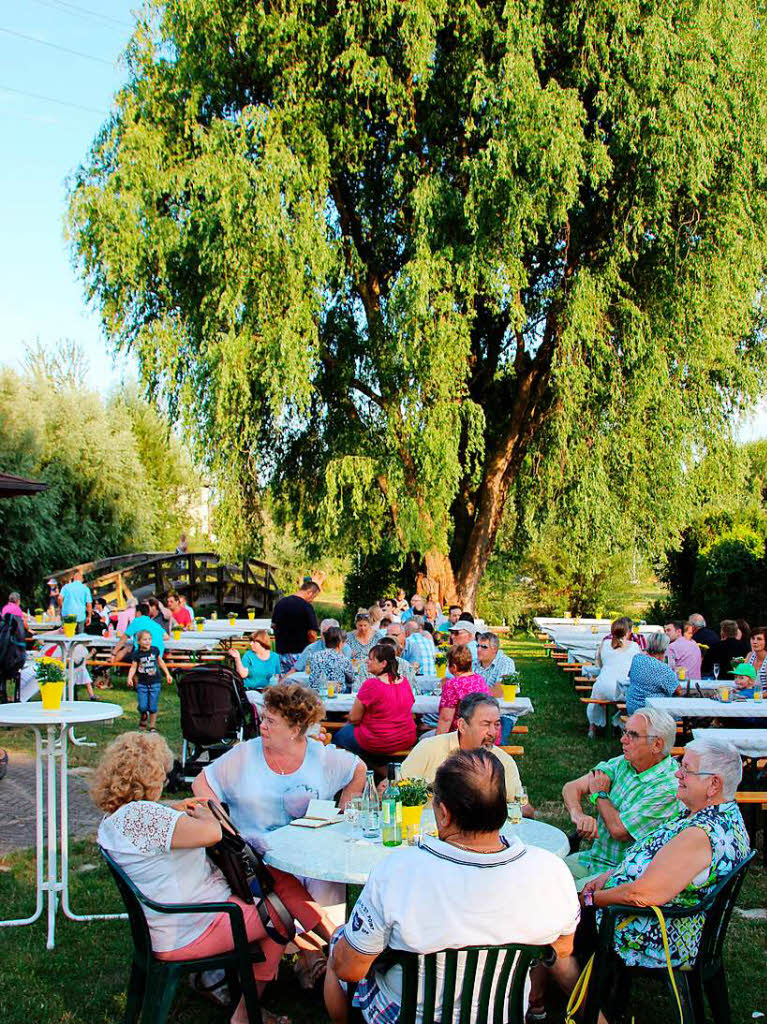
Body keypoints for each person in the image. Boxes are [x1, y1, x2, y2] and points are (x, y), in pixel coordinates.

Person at [324, 749, 580, 1024]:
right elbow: (562, 949)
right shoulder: (550, 870)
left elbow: (349, 970)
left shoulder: (398, 872)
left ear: (444, 814)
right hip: (501, 1016)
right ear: (502, 809)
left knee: (341, 942)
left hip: (407, 1015)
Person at [94, 731, 330, 1024]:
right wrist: (206, 810)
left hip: (168, 922)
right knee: (279, 919)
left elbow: (157, 823)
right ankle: (247, 1012)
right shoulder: (146, 818)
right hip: (191, 926)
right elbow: (212, 833)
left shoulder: (117, 820)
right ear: (151, 776)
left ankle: (329, 943)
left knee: (277, 880)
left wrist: (174, 808)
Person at [568, 738, 749, 982]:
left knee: (555, 919)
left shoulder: (701, 835)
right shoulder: (721, 814)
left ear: (714, 784)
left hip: (652, 930)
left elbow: (641, 895)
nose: (677, 774)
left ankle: (550, 1000)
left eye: (687, 769)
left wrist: (589, 900)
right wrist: (608, 876)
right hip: (656, 915)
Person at [192, 682, 366, 851]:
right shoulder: (246, 753)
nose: (262, 726)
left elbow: (358, 768)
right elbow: (202, 783)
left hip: (310, 853)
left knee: (324, 880)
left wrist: (345, 820)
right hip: (256, 857)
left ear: (294, 730)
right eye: (263, 718)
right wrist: (223, 827)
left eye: (270, 721)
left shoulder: (319, 755)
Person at [562, 708, 681, 888]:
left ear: (657, 745)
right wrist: (578, 815)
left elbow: (619, 830)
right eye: (625, 732)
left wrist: (600, 795)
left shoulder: (668, 788)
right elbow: (571, 787)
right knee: (543, 873)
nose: (623, 739)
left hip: (622, 876)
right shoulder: (625, 763)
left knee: (558, 898)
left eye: (632, 735)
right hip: (592, 860)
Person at [399, 693, 529, 811]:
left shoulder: (503, 761)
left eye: (496, 724)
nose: (493, 732)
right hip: (430, 832)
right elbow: (396, 792)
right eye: (485, 724)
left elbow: (522, 808)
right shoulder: (429, 749)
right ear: (462, 725)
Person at [332, 644, 415, 758]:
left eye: (371, 659)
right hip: (405, 737)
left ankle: (362, 769)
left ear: (383, 663)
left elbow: (354, 718)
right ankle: (380, 768)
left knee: (338, 736)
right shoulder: (404, 682)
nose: (367, 661)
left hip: (380, 740)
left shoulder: (372, 685)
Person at [586, 619, 640, 737]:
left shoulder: (604, 644)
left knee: (596, 692)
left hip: (603, 687)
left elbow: (599, 665)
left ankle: (592, 727)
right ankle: (620, 723)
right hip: (622, 689)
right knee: (633, 698)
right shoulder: (635, 647)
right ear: (628, 632)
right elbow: (637, 670)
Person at [436, 644, 496, 734]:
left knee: (424, 740)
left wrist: (438, 742)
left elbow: (446, 719)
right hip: (487, 733)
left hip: (465, 736)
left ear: (454, 667)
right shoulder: (479, 679)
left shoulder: (453, 685)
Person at [624, 633, 683, 714]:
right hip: (652, 714)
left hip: (633, 709)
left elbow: (630, 675)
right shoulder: (663, 669)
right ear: (665, 649)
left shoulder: (637, 659)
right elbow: (678, 691)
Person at [126, 630, 173, 731]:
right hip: (142, 684)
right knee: (143, 706)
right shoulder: (137, 654)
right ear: (138, 641)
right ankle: (143, 715)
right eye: (144, 639)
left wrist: (168, 674)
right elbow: (133, 667)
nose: (147, 641)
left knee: (153, 707)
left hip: (155, 682)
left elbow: (161, 662)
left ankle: (152, 726)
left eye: (149, 639)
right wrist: (130, 677)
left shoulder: (155, 650)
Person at [271, 580, 321, 674]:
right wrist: (315, 647)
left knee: (284, 683)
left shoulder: (281, 603)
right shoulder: (306, 607)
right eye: (314, 597)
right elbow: (312, 634)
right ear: (310, 593)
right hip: (300, 653)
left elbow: (274, 625)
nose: (312, 600)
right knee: (299, 683)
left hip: (281, 652)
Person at [309, 626, 355, 692]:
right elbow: (352, 679)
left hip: (317, 694)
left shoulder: (315, 656)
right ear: (340, 643)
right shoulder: (343, 659)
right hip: (337, 695)